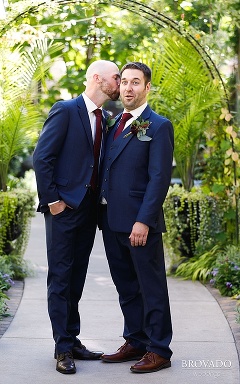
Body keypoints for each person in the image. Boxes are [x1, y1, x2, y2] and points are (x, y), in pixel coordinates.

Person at [33, 60, 121, 374]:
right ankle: (62, 349)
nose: (120, 82)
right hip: (64, 209)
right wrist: (54, 200)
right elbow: (42, 157)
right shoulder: (66, 109)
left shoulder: (107, 118)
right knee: (60, 279)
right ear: (98, 78)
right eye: (116, 77)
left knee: (77, 279)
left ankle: (73, 339)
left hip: (89, 211)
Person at [98, 61, 174, 373]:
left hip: (140, 224)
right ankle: (136, 340)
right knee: (126, 286)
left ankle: (159, 349)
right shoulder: (116, 122)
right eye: (125, 82)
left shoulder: (157, 125)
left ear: (147, 87)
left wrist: (143, 220)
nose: (129, 88)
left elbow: (159, 179)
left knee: (150, 287)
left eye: (136, 83)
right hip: (112, 220)